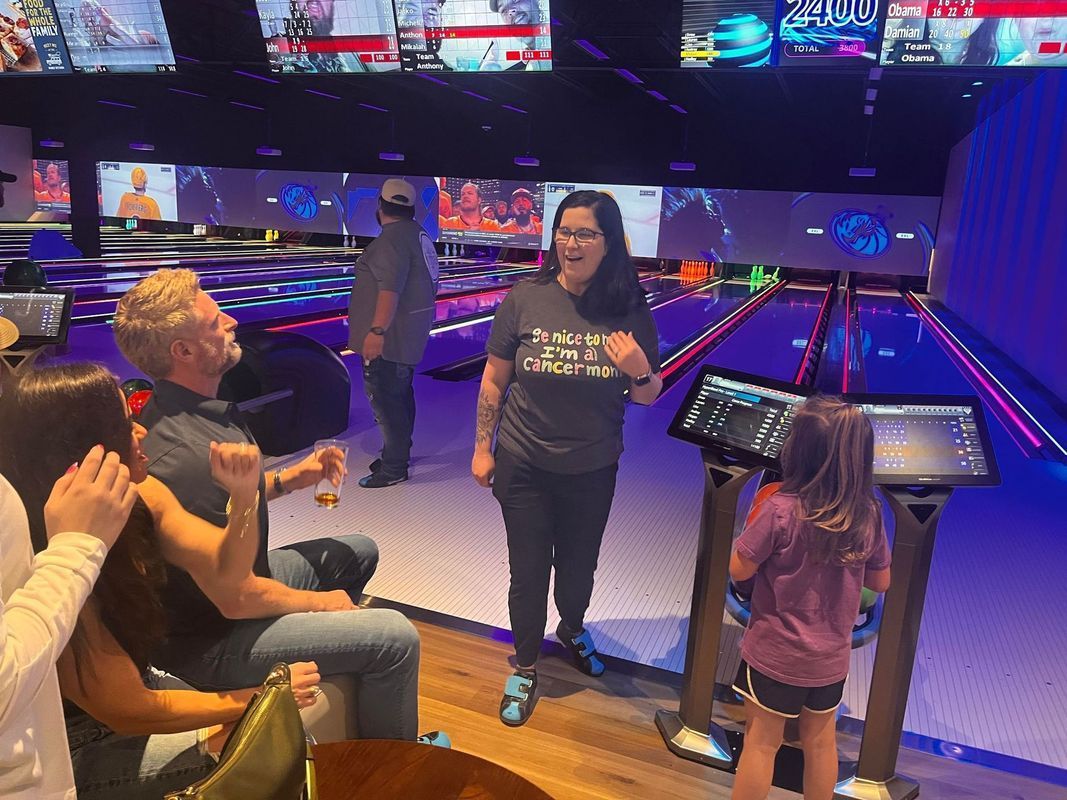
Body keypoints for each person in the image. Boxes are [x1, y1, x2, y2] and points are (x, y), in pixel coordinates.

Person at [113, 268, 444, 745]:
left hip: (238, 588)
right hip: (212, 640)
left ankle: (350, 709)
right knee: (395, 637)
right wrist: (319, 606)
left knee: (357, 550)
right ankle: (391, 764)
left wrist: (294, 476)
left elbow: (231, 497)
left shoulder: (196, 410)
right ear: (181, 352)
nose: (230, 321)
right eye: (213, 323)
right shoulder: (182, 455)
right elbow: (235, 595)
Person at [0, 362, 328, 799]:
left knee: (276, 734)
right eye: (123, 423)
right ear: (81, 450)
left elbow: (228, 576)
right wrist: (259, 694)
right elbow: (127, 711)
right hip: (78, 741)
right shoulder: (48, 557)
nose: (141, 432)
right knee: (259, 745)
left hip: (144, 682)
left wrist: (244, 495)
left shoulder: (143, 493)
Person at [471, 190, 662, 726]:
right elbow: (493, 379)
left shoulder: (628, 306)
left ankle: (573, 627)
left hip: (593, 467)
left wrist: (637, 367)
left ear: (609, 243)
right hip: (523, 461)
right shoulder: (524, 297)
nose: (570, 243)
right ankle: (526, 665)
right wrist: (482, 448)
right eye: (563, 231)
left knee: (578, 570)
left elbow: (649, 393)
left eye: (584, 234)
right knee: (527, 572)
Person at [727, 396, 892, 800]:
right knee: (821, 744)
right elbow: (881, 581)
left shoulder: (779, 510)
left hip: (774, 654)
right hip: (830, 661)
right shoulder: (867, 513)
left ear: (796, 453)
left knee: (762, 744)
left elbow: (739, 569)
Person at [348, 179, 440, 488]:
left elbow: (390, 288)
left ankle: (394, 466)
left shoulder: (390, 241)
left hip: (390, 338)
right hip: (408, 335)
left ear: (380, 208)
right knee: (400, 395)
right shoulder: (417, 234)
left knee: (385, 399)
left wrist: (376, 331)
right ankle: (395, 452)